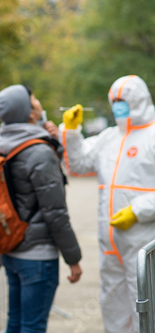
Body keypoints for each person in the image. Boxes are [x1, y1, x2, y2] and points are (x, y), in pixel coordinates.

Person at [59, 75, 155, 333]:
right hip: (110, 242)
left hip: (145, 242)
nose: (117, 106)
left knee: (147, 304)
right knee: (113, 305)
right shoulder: (108, 138)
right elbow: (76, 165)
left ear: (139, 101)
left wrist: (138, 210)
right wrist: (71, 132)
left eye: (122, 101)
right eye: (113, 101)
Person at [0, 84, 82, 333]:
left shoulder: (3, 144)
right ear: (29, 112)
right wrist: (73, 259)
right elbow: (55, 212)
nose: (39, 103)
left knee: (16, 323)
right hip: (38, 257)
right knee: (33, 327)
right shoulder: (39, 152)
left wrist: (48, 138)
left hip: (12, 251)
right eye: (34, 99)